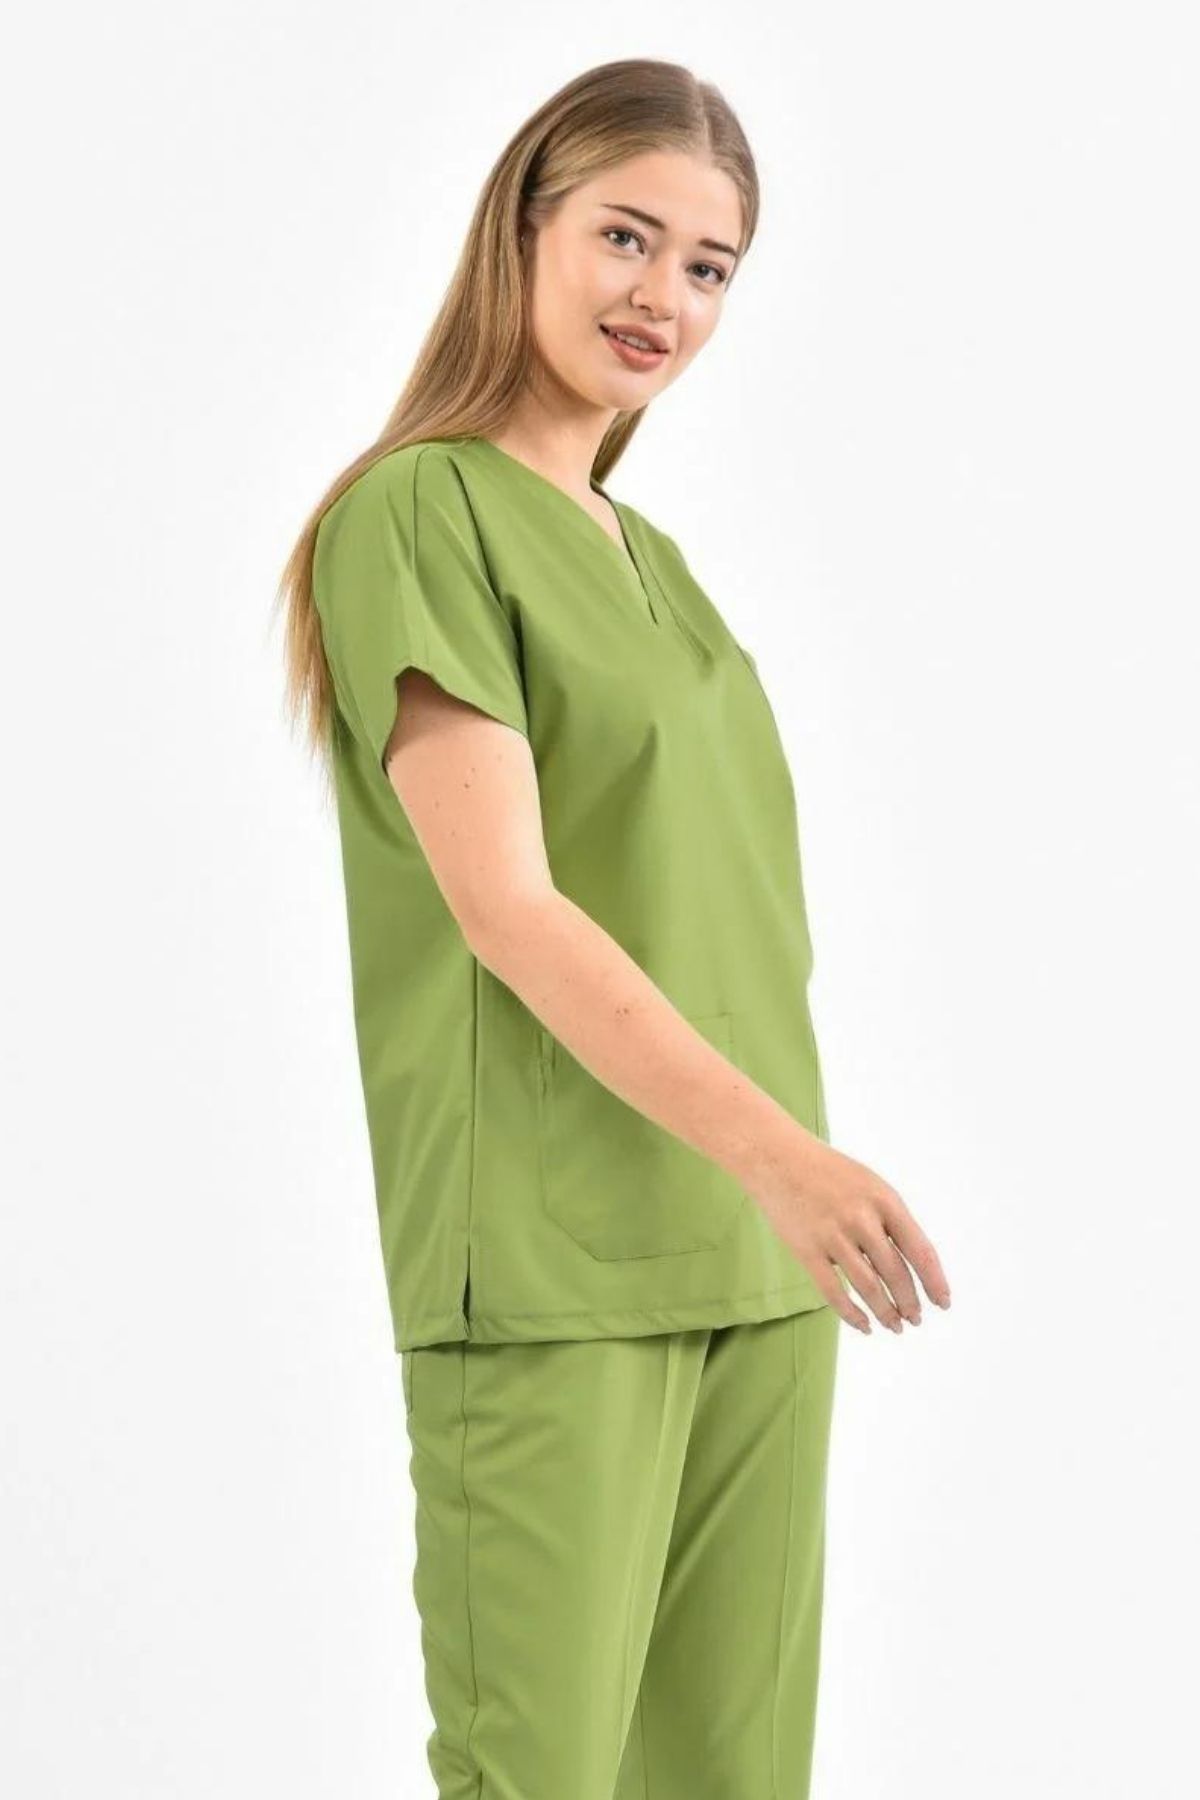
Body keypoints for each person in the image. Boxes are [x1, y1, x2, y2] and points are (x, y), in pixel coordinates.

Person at [278, 55, 951, 1800]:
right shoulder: (418, 513)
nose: (664, 295)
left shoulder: (659, 563)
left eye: (709, 265)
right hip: (558, 1267)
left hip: (761, 1266)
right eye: (626, 236)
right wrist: (789, 1157)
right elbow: (505, 907)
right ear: (523, 228)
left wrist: (780, 1185)